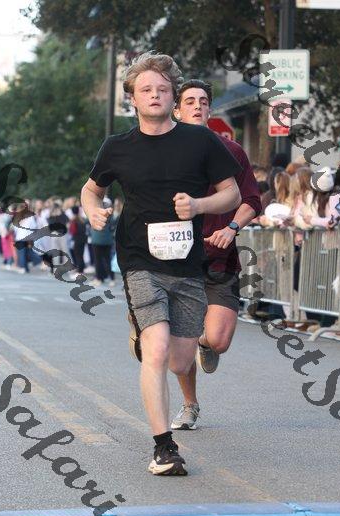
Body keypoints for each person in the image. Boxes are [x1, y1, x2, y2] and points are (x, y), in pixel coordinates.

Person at [81, 52, 241, 476]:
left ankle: (148, 332)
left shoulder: (200, 141)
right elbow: (91, 189)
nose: (155, 95)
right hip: (139, 260)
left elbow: (232, 194)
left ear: (173, 97)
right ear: (132, 98)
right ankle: (163, 448)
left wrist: (199, 205)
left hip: (187, 264)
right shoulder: (117, 147)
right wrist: (93, 210)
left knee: (180, 361)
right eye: (146, 90)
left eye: (163, 89)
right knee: (156, 349)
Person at [168, 78, 260, 430]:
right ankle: (189, 405)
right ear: (177, 109)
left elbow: (252, 200)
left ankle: (203, 343)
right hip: (177, 260)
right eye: (190, 101)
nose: (197, 106)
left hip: (220, 259)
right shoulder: (164, 152)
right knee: (181, 344)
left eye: (203, 101)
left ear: (210, 109)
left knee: (218, 341)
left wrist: (231, 227)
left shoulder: (231, 151)